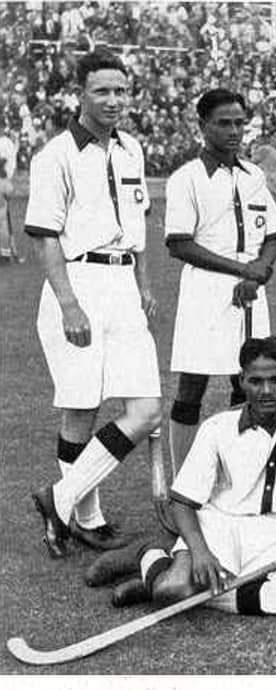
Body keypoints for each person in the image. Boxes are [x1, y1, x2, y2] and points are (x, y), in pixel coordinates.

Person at [24, 49, 162, 557]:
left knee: (145, 409)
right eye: (101, 91)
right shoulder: (54, 156)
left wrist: (144, 285)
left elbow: (139, 227)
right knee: (81, 406)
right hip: (78, 284)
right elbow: (46, 237)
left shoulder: (132, 151)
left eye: (120, 91)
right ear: (79, 93)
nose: (112, 100)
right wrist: (69, 304)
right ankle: (88, 517)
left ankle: (57, 499)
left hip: (124, 285)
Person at [112, 337, 276, 615]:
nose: (266, 390)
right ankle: (151, 556)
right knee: (174, 590)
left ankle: (163, 583)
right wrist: (201, 552)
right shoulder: (216, 428)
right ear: (241, 380)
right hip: (218, 525)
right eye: (256, 381)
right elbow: (182, 502)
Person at [165, 89, 276, 476]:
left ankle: (241, 472)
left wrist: (260, 271)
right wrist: (242, 271)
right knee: (193, 385)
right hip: (206, 289)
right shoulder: (186, 178)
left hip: (252, 291)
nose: (234, 130)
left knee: (249, 380)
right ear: (203, 126)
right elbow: (180, 244)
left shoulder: (253, 174)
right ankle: (184, 483)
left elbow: (274, 234)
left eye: (239, 122)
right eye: (224, 123)